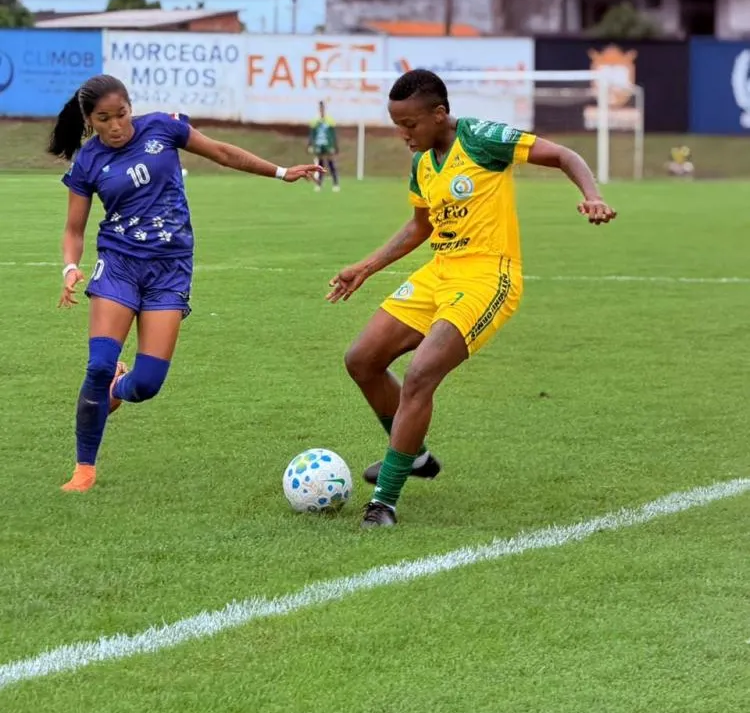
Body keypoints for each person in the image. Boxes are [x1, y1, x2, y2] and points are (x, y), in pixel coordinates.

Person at [327, 69, 616, 529]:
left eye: (410, 124)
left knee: (421, 373)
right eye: (397, 124)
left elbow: (563, 154)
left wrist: (593, 195)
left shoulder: (482, 139)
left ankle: (384, 502)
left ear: (440, 114)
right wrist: (365, 266)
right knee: (362, 358)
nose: (403, 134)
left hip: (487, 276)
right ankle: (414, 456)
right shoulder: (423, 160)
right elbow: (421, 227)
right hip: (439, 272)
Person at [49, 73, 321, 493]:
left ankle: (117, 388)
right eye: (104, 119)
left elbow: (223, 153)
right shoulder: (87, 161)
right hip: (118, 263)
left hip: (170, 270)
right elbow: (73, 229)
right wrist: (70, 266)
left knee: (147, 384)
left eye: (121, 114)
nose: (116, 125)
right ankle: (84, 468)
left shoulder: (164, 127)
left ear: (131, 108)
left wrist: (281, 171)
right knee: (98, 362)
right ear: (90, 120)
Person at [307, 100, 340, 192]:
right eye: (320, 108)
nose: (321, 109)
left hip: (328, 145)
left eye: (322, 108)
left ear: (324, 109)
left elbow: (333, 134)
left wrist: (335, 145)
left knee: (331, 163)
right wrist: (310, 145)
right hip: (319, 145)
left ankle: (335, 183)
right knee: (320, 165)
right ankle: (319, 184)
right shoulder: (315, 120)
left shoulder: (329, 120)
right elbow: (312, 134)